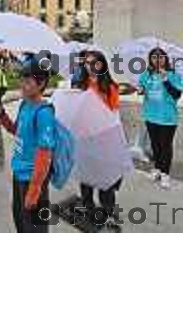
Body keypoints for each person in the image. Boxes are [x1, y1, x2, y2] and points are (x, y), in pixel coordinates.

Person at [0, 64, 56, 233]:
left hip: (33, 178)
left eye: (28, 81)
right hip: (19, 173)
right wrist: (2, 116)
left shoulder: (44, 113)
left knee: (34, 228)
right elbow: (18, 132)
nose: (22, 85)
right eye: (21, 80)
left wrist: (34, 190)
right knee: (21, 220)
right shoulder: (24, 105)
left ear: (41, 84)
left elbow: (44, 154)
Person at [72, 49, 122, 231]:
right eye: (87, 63)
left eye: (95, 63)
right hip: (84, 139)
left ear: (102, 65)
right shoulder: (80, 85)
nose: (91, 66)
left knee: (105, 182)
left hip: (104, 140)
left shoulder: (110, 87)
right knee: (85, 179)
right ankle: (88, 207)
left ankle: (108, 213)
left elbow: (114, 117)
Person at [137, 47, 183, 189]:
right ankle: (157, 169)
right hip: (151, 115)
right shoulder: (146, 74)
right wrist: (141, 90)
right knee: (155, 145)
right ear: (150, 60)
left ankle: (165, 174)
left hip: (167, 117)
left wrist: (166, 80)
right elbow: (143, 89)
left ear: (165, 59)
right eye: (154, 57)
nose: (157, 60)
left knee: (165, 146)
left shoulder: (172, 75)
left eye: (160, 57)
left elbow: (176, 95)